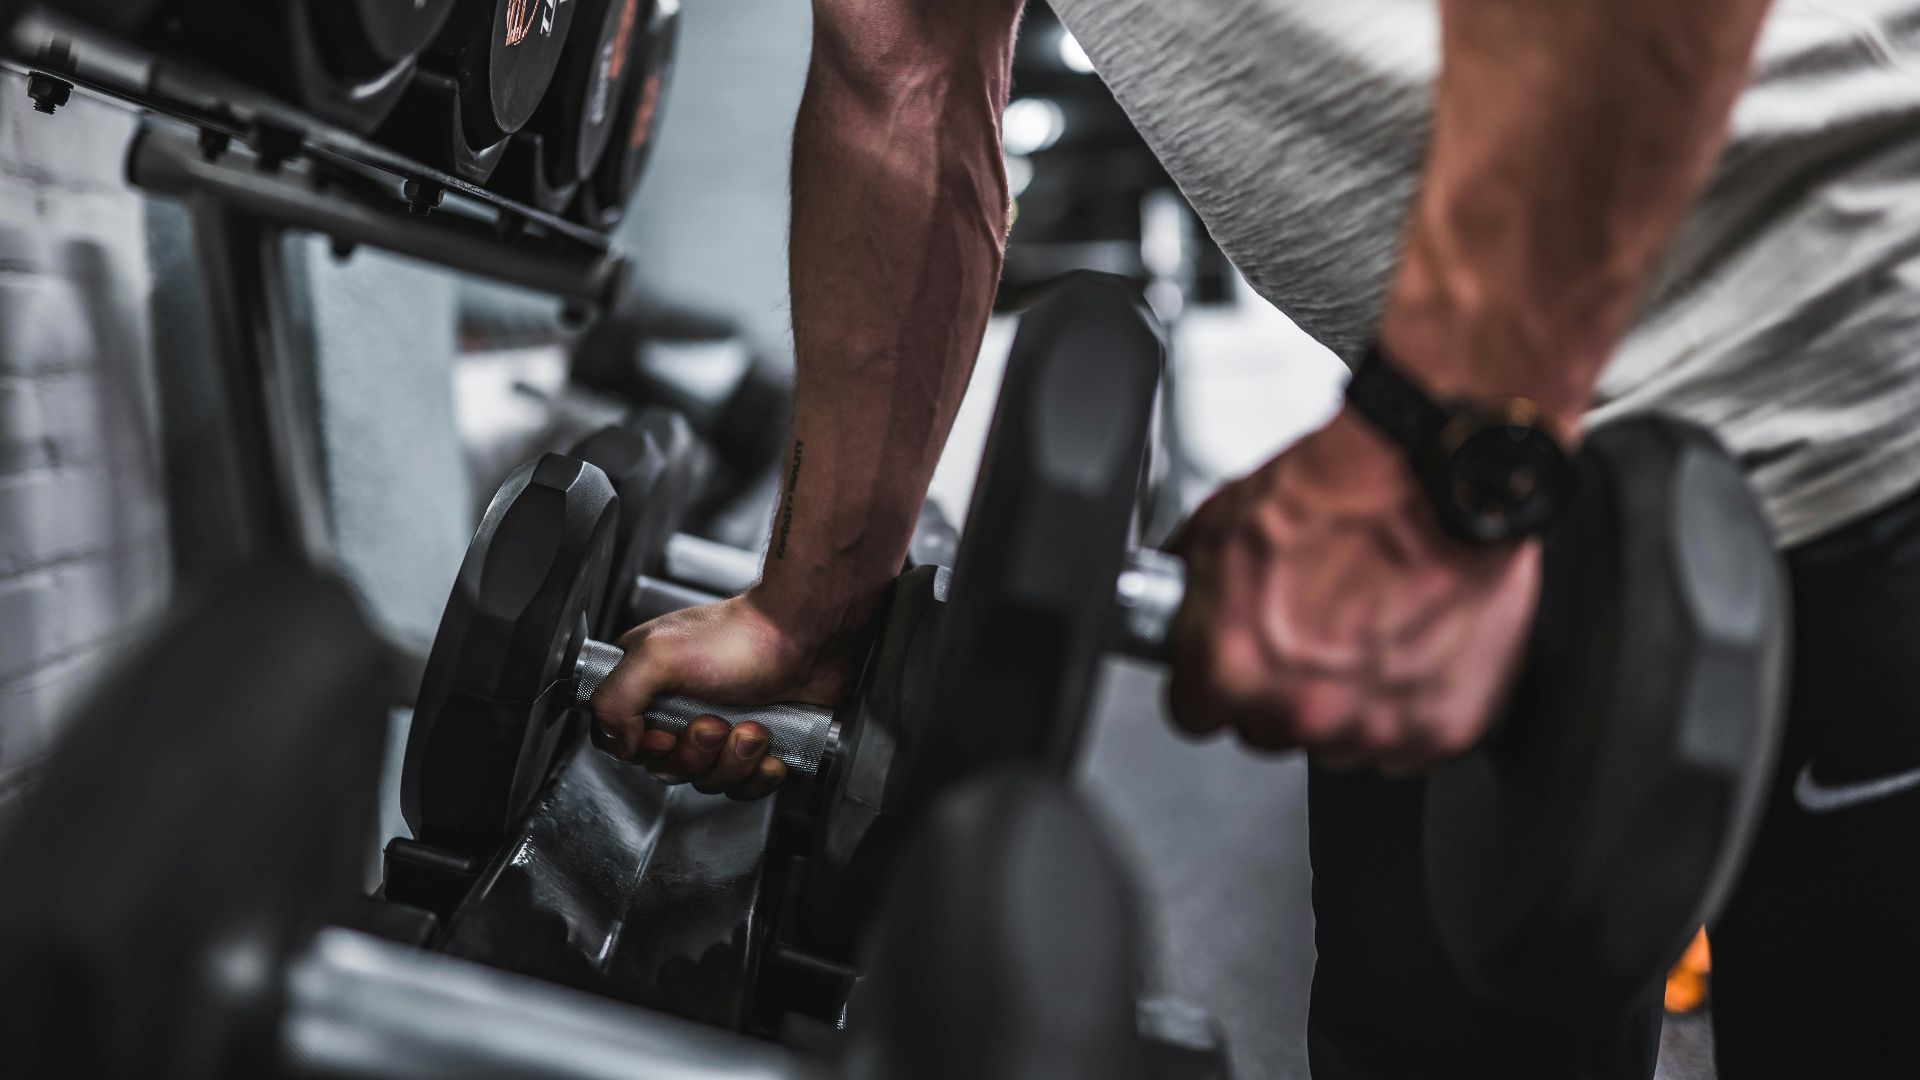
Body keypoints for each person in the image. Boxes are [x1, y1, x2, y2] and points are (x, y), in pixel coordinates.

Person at [593, 1, 1920, 1075]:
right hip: (1475, 456)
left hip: (1861, 412)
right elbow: (902, 71)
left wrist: (1443, 441)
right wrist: (818, 602)